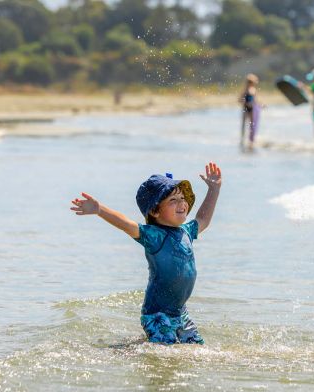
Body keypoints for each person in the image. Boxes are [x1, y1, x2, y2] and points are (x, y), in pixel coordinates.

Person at [69, 162, 222, 345]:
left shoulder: (187, 231)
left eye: (182, 198)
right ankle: (130, 348)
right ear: (155, 210)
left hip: (180, 313)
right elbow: (127, 224)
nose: (182, 203)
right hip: (157, 314)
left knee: (197, 350)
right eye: (173, 200)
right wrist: (99, 210)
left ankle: (133, 344)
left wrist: (214, 188)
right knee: (167, 354)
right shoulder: (154, 237)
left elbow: (203, 219)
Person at [239, 73, 260, 147]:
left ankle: (251, 140)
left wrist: (260, 105)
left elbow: (255, 100)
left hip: (252, 109)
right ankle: (242, 139)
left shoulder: (254, 90)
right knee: (243, 125)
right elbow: (239, 100)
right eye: (248, 82)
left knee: (252, 125)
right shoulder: (244, 91)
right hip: (245, 108)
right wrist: (244, 102)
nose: (249, 83)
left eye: (251, 82)